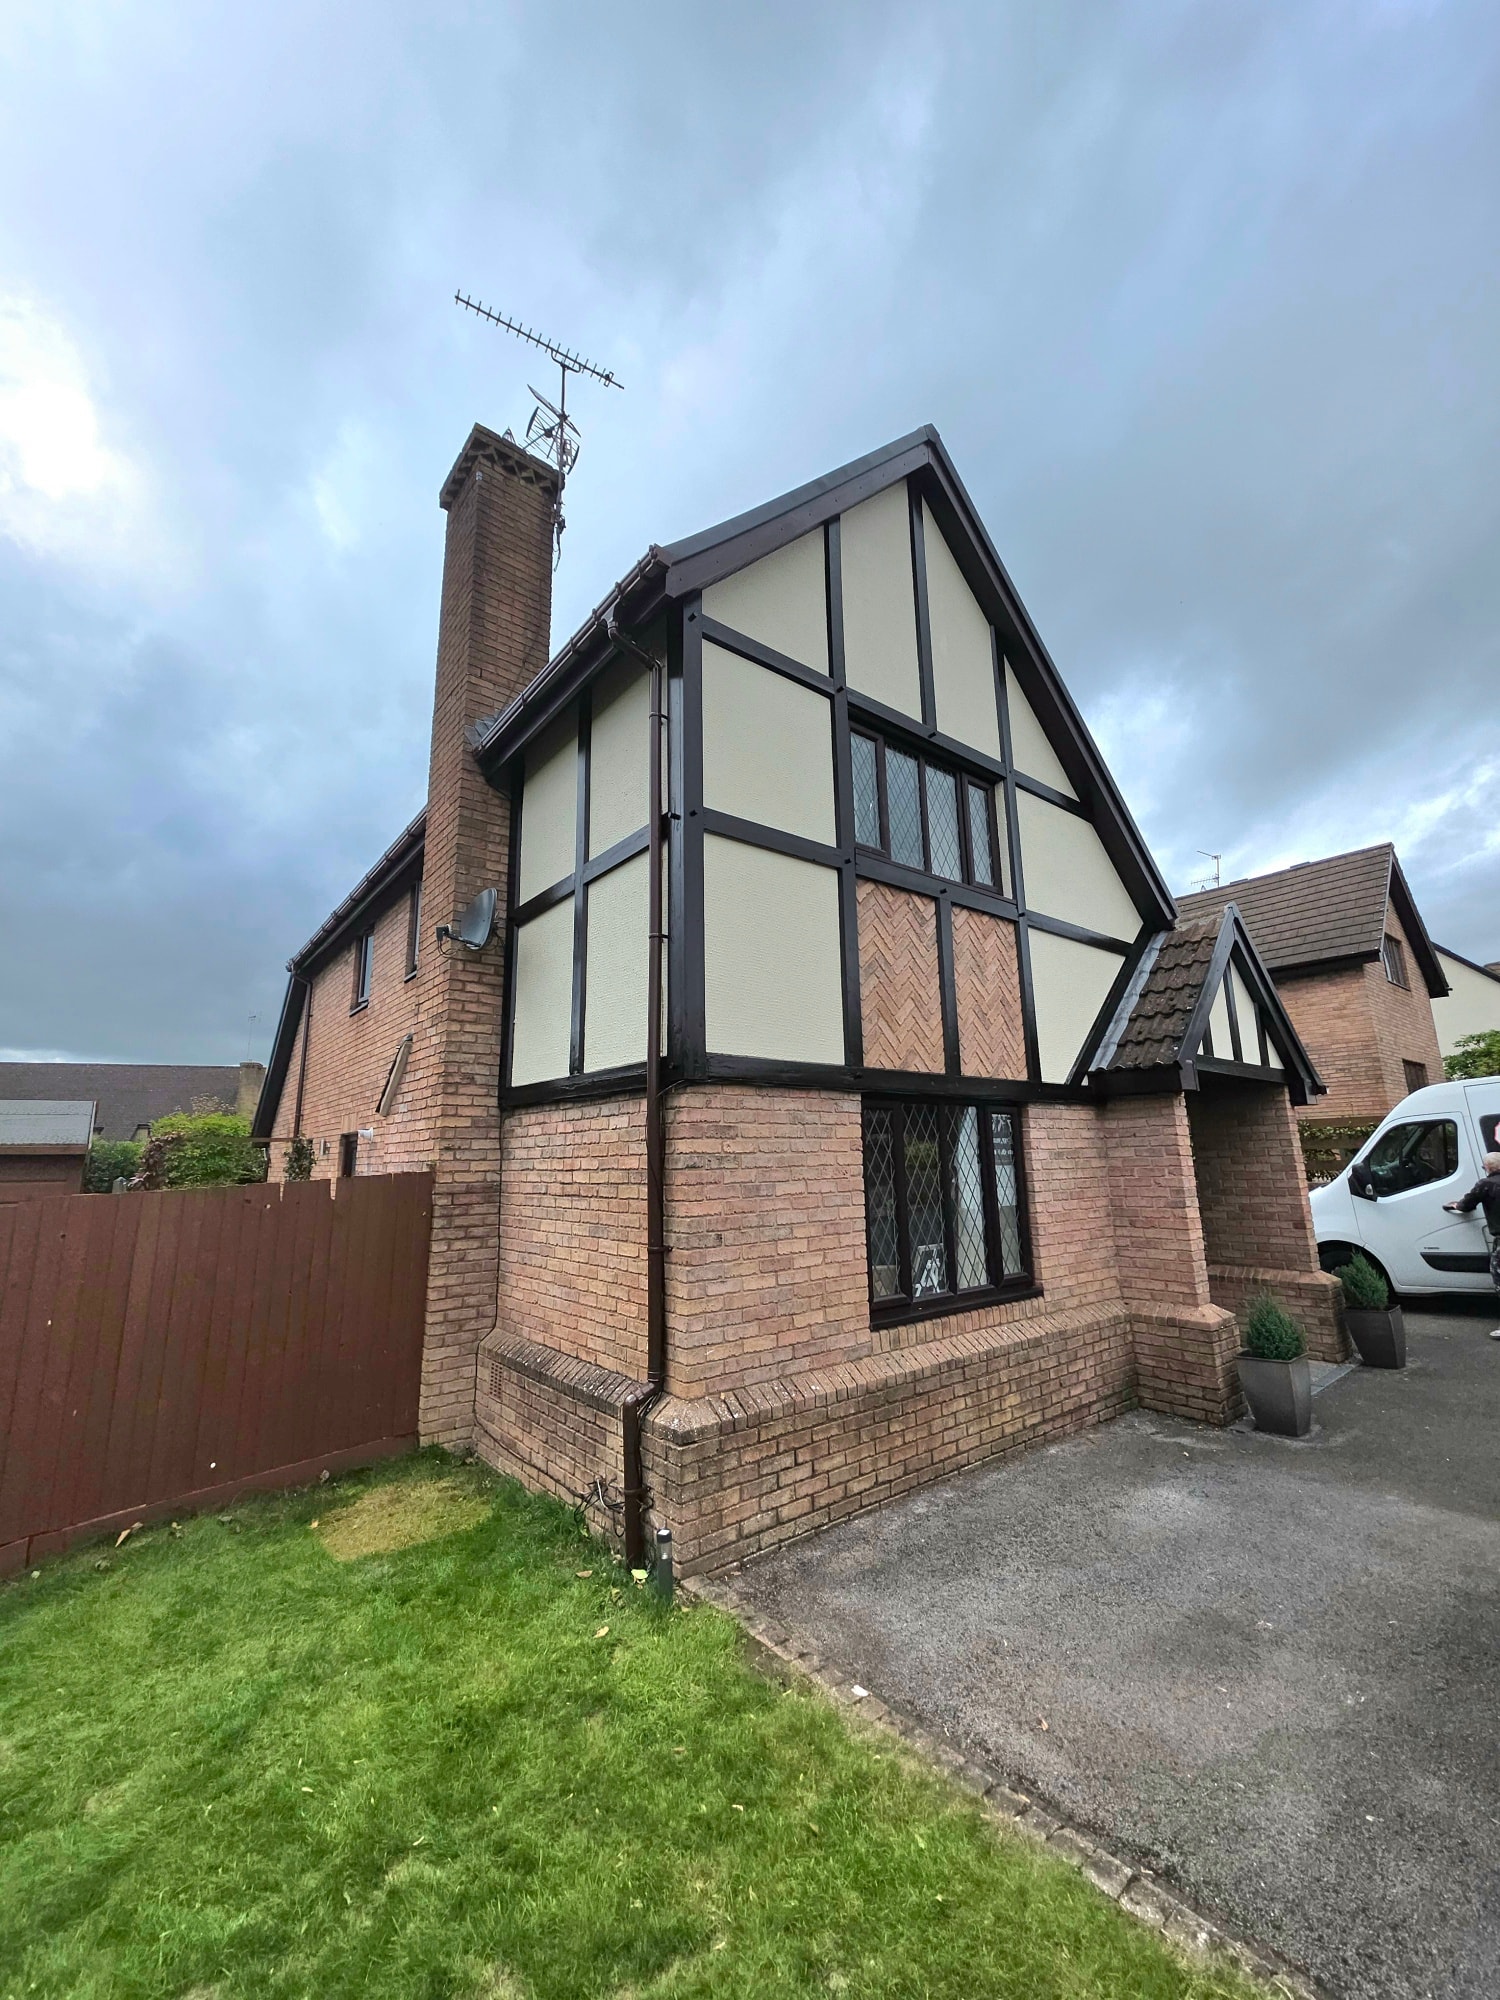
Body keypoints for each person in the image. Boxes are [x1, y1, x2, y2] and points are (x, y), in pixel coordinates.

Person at [1443, 1151, 1500, 1339]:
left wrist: (1455, 1205)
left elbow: (1467, 1204)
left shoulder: (1486, 1185)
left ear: (1489, 1168)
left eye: (1485, 1167)